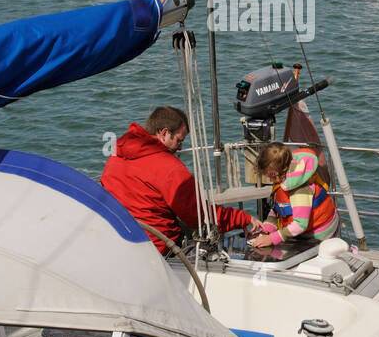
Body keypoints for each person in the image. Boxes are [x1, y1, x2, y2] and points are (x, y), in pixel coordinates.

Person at [101, 105, 262, 253]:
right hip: (157, 248)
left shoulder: (117, 155)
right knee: (207, 239)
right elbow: (198, 216)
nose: (180, 147)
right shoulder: (170, 168)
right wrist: (243, 218)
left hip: (118, 239)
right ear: (164, 133)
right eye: (179, 140)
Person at [250, 143, 339, 249]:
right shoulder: (282, 178)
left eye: (271, 175)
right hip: (301, 230)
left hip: (319, 233)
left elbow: (300, 225)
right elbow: (278, 210)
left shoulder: (300, 190)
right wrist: (267, 229)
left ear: (279, 171)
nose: (270, 180)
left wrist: (272, 239)